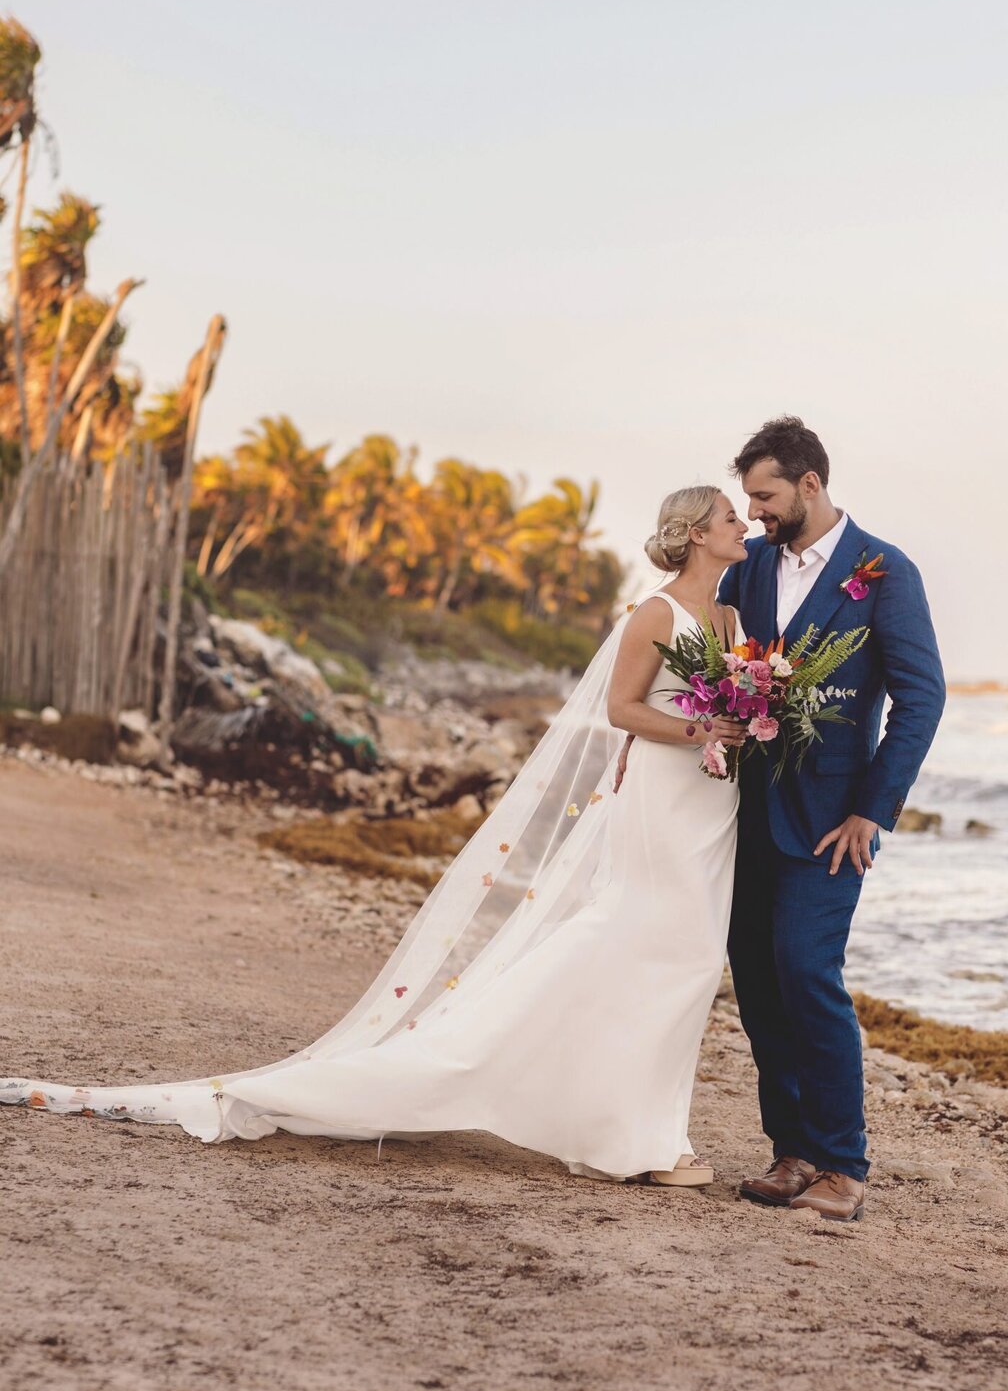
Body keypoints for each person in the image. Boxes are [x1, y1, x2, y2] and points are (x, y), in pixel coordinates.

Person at [1, 487, 751, 1188]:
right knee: (649, 948)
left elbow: (732, 700)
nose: (741, 524)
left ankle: (635, 1127)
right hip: (659, 797)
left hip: (710, 804)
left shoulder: (728, 620)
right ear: (694, 536)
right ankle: (635, 1140)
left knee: (680, 959)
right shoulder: (654, 614)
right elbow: (622, 709)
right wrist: (700, 728)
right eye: (728, 516)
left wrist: (748, 723)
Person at [719, 415, 946, 1222]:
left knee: (807, 970)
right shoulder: (746, 567)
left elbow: (922, 699)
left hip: (831, 821)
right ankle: (793, 1149)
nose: (754, 513)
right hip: (744, 811)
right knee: (755, 977)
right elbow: (710, 651)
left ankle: (843, 1163)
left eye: (765, 496)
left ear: (809, 484)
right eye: (748, 500)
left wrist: (871, 811)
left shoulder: (884, 573)